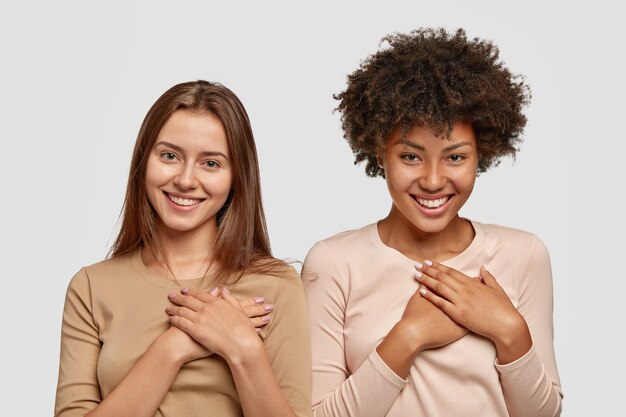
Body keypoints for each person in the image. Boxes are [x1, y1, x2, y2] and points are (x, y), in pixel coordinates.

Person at [301, 28, 563, 417]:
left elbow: (543, 414)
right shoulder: (333, 262)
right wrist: (409, 336)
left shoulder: (523, 254)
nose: (434, 180)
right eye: (411, 156)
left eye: (455, 157)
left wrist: (509, 330)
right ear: (379, 151)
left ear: (481, 154)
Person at [54, 80, 311, 417]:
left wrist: (243, 348)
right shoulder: (92, 287)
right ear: (144, 162)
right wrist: (174, 347)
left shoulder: (276, 286)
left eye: (211, 163)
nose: (186, 180)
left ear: (237, 177)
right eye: (170, 156)